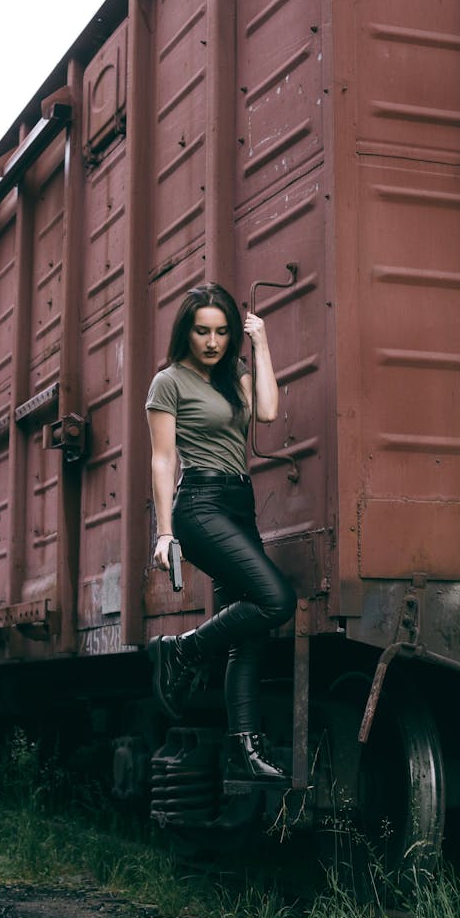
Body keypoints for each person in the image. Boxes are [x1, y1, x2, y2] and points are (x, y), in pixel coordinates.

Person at [145, 283, 297, 783]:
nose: (212, 341)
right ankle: (182, 649)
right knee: (276, 600)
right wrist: (165, 533)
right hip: (201, 505)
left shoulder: (236, 377)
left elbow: (269, 413)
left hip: (240, 502)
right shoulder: (168, 382)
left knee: (247, 635)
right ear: (186, 332)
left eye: (222, 331)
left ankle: (244, 749)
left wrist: (263, 344)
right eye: (202, 330)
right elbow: (164, 458)